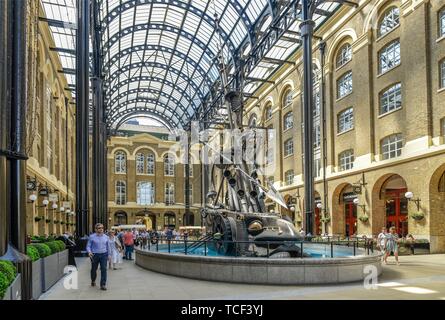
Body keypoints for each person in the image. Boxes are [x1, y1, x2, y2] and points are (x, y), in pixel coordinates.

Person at [86, 223, 111, 290]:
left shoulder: (106, 237)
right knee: (94, 269)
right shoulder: (92, 237)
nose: (101, 229)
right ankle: (93, 280)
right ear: (96, 229)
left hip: (104, 255)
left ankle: (103, 284)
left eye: (102, 228)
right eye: (99, 228)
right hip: (95, 255)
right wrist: (89, 252)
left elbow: (108, 247)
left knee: (104, 269)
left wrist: (109, 255)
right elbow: (88, 246)